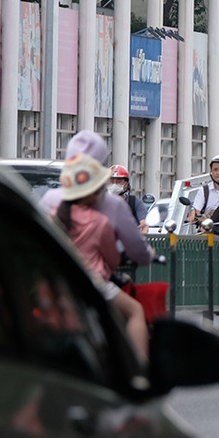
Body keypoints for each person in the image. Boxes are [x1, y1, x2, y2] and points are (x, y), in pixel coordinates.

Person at [52, 153, 150, 363]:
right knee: (135, 311)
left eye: (117, 181)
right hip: (94, 283)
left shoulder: (55, 215)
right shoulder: (98, 220)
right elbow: (113, 259)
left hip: (60, 282)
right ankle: (139, 367)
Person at [40, 130, 154, 271]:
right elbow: (125, 254)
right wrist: (148, 255)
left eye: (118, 180)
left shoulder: (50, 201)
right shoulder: (110, 211)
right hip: (97, 281)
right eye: (111, 180)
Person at [189, 155, 219, 225]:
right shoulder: (204, 190)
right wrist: (194, 215)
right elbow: (196, 210)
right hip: (208, 227)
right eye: (215, 169)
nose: (218, 173)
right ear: (211, 171)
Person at [108, 164, 150, 232]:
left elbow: (144, 225)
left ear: (126, 184)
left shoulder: (134, 202)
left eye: (119, 182)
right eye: (111, 181)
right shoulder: (100, 203)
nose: (114, 185)